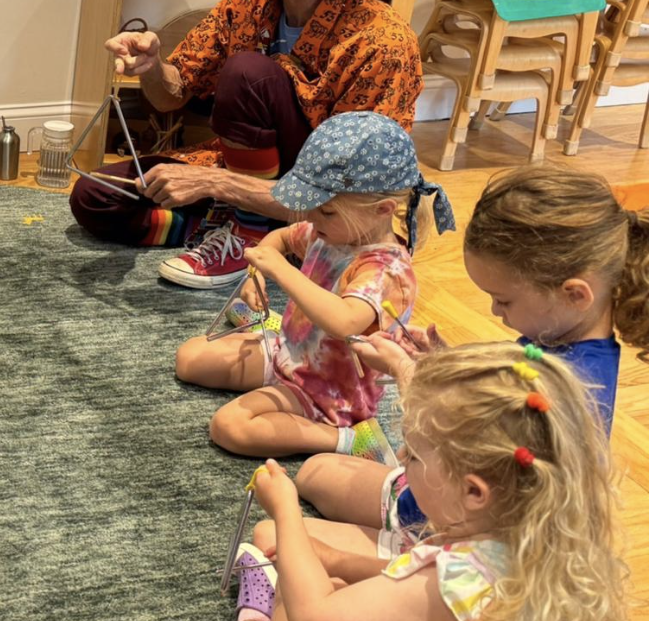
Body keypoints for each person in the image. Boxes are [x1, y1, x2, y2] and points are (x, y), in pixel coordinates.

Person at [73, 0, 421, 290]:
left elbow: (359, 199)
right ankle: (230, 231)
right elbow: (171, 96)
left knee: (247, 73)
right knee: (97, 197)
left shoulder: (381, 43)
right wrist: (152, 66)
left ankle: (251, 236)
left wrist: (213, 182)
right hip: (250, 177)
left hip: (332, 208)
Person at [202, 343, 624, 621]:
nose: (401, 458)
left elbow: (315, 619)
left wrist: (286, 507)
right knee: (322, 577)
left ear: (474, 492)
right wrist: (340, 561)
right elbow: (413, 583)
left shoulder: (452, 582)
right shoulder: (535, 542)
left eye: (416, 457)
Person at [276, 165, 648, 563]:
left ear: (575, 294)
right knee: (315, 473)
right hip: (437, 491)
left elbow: (449, 434)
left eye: (503, 300)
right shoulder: (562, 338)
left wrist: (407, 373)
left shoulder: (568, 384)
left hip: (457, 525)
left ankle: (412, 559)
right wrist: (442, 359)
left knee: (289, 541)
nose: (494, 310)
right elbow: (492, 394)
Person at [175, 112, 453, 459]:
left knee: (230, 426)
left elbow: (343, 321)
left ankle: (351, 440)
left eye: (327, 212)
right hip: (290, 352)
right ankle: (277, 323)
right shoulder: (333, 232)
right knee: (190, 358)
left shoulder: (386, 270)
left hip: (330, 391)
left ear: (382, 210)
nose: (311, 218)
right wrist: (257, 274)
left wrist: (279, 271)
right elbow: (281, 238)